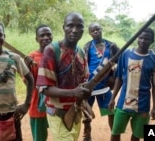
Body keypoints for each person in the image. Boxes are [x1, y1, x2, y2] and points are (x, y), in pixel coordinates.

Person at [36, 12, 91, 141]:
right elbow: (45, 88)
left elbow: (84, 81)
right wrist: (73, 92)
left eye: (79, 27)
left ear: (83, 30)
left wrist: (86, 91)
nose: (75, 30)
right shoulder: (51, 50)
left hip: (76, 111)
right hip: (57, 112)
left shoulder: (81, 52)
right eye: (70, 26)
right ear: (63, 27)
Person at [108, 28, 155, 141]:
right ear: (137, 38)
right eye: (141, 37)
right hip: (123, 103)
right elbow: (119, 78)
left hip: (143, 105)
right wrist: (113, 98)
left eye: (147, 39)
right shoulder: (126, 54)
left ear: (152, 41)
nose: (143, 41)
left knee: (137, 136)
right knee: (115, 132)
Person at [82, 22, 120, 141]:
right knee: (87, 113)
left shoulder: (111, 45)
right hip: (90, 86)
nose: (96, 32)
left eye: (98, 29)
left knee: (110, 111)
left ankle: (114, 135)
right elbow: (82, 64)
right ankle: (87, 136)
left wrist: (114, 76)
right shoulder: (87, 46)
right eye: (93, 30)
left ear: (101, 29)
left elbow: (121, 61)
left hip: (104, 86)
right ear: (90, 33)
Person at [24, 24, 53, 141]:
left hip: (55, 105)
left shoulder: (57, 54)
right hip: (37, 105)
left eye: (48, 35)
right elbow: (28, 83)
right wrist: (26, 67)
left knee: (61, 134)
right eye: (42, 35)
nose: (46, 38)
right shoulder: (31, 57)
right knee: (39, 138)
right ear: (37, 39)